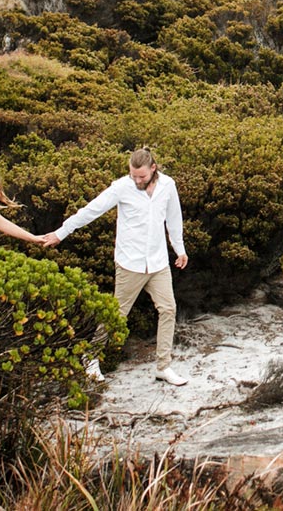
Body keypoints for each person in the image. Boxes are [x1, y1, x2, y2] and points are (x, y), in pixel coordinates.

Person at [41, 147, 189, 386]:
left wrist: (179, 249)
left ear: (153, 169)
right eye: (133, 176)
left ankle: (164, 366)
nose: (137, 180)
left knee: (168, 309)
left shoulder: (168, 185)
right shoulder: (122, 187)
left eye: (141, 176)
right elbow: (90, 211)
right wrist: (61, 233)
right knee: (116, 315)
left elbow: (174, 219)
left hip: (158, 261)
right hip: (130, 263)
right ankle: (90, 359)